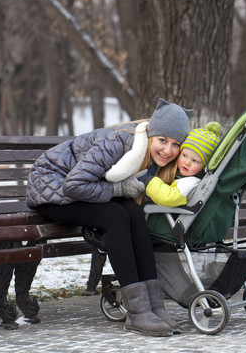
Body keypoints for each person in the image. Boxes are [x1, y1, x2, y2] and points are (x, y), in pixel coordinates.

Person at [26, 98, 193, 337]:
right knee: (115, 216)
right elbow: (74, 185)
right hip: (52, 190)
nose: (168, 150)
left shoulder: (154, 159)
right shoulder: (118, 142)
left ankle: (154, 306)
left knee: (133, 213)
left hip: (83, 192)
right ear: (151, 134)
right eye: (163, 141)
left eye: (176, 144)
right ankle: (136, 313)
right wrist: (117, 190)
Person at [143, 122, 222, 207]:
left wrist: (147, 179)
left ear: (204, 166)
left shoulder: (191, 183)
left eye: (194, 160)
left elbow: (168, 197)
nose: (187, 162)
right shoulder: (180, 174)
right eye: (184, 155)